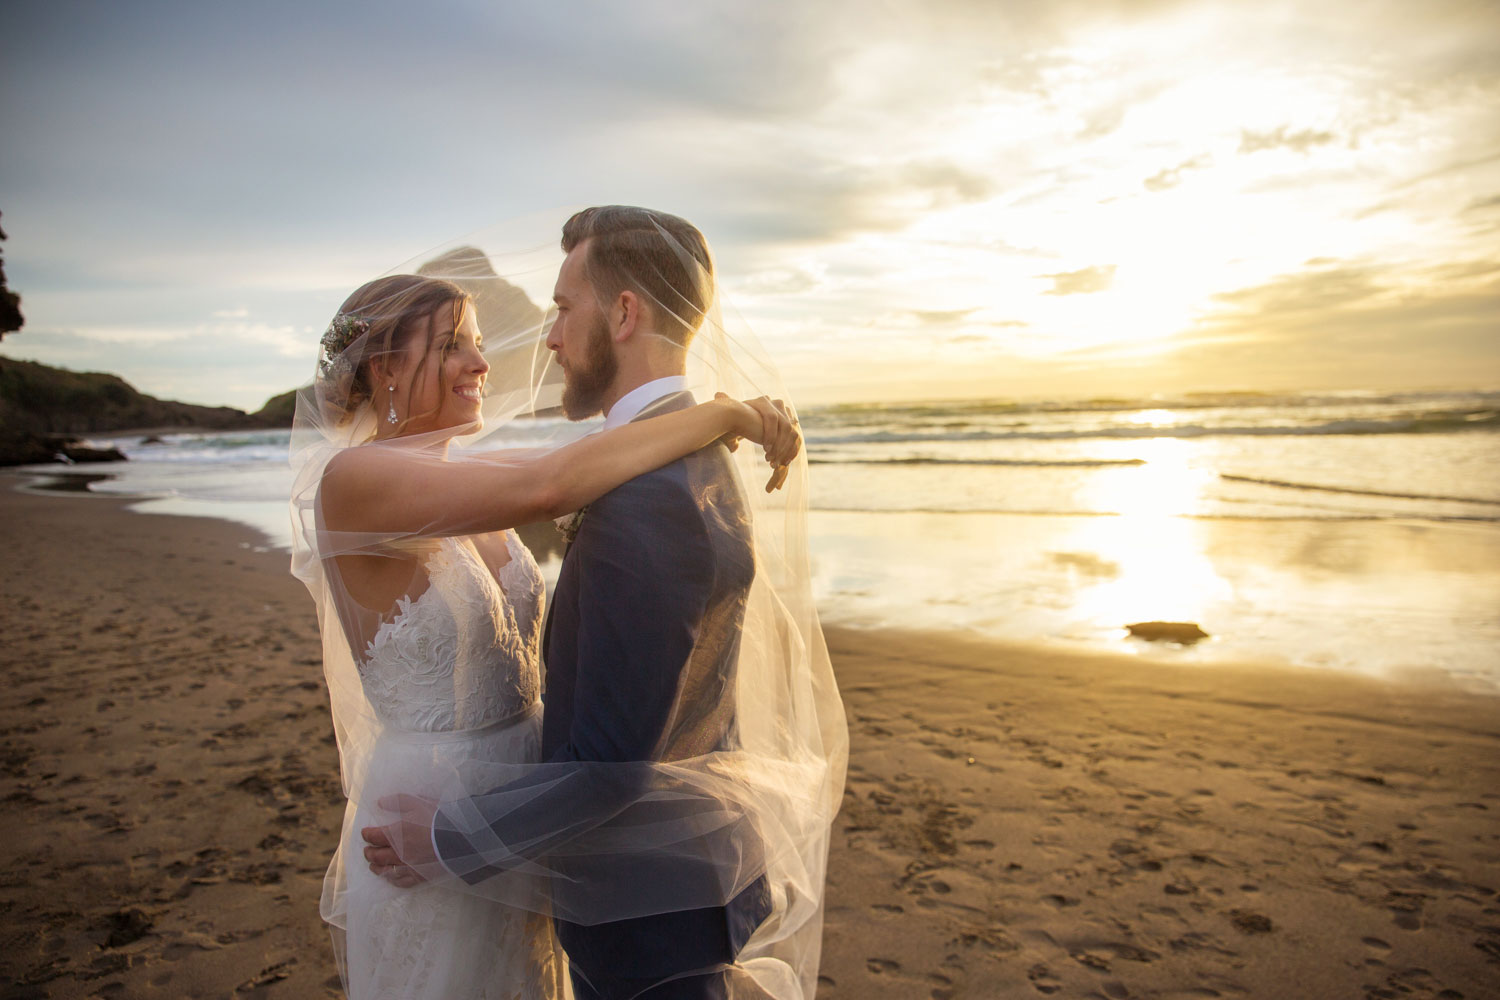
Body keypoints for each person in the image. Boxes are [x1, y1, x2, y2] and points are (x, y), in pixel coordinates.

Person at [359, 207, 848, 1000]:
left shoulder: (648, 495)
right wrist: (728, 412)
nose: (547, 339)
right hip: (676, 879)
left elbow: (611, 768)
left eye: (561, 308)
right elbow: (551, 482)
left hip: (641, 909)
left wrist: (448, 840)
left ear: (624, 314)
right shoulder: (683, 463)